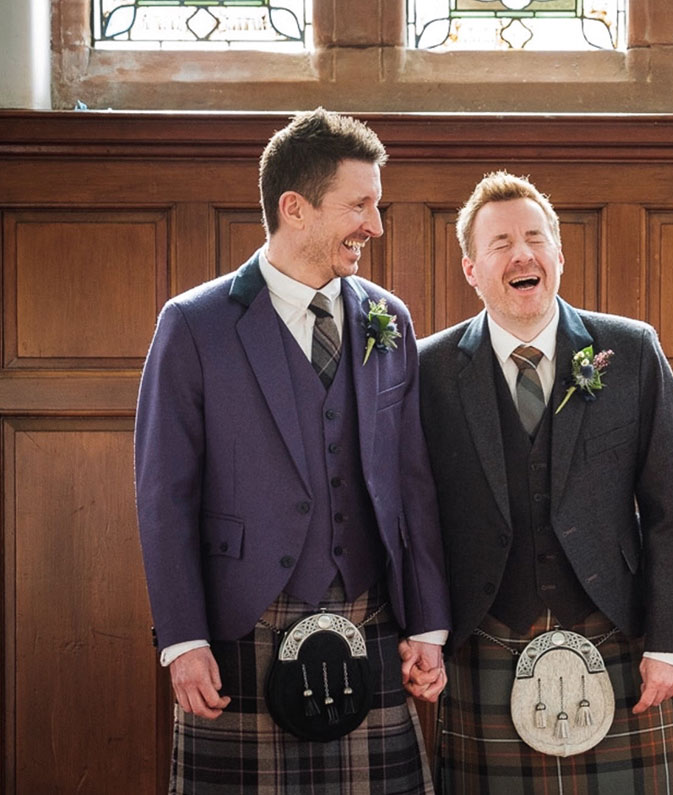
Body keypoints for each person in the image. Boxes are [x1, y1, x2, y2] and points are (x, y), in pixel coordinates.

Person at [135, 108, 451, 792]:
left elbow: (411, 482)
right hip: (243, 623)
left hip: (370, 616)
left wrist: (428, 620)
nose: (376, 224)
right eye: (360, 204)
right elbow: (165, 494)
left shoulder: (386, 318)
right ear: (295, 208)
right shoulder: (194, 324)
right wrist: (182, 639)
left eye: (378, 203)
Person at [416, 171, 673, 792]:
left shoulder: (630, 351)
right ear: (471, 269)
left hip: (615, 630)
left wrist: (672, 642)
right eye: (500, 244)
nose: (522, 253)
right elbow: (416, 516)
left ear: (558, 256)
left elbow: (671, 507)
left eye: (535, 238)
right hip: (485, 636)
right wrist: (426, 631)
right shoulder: (429, 370)